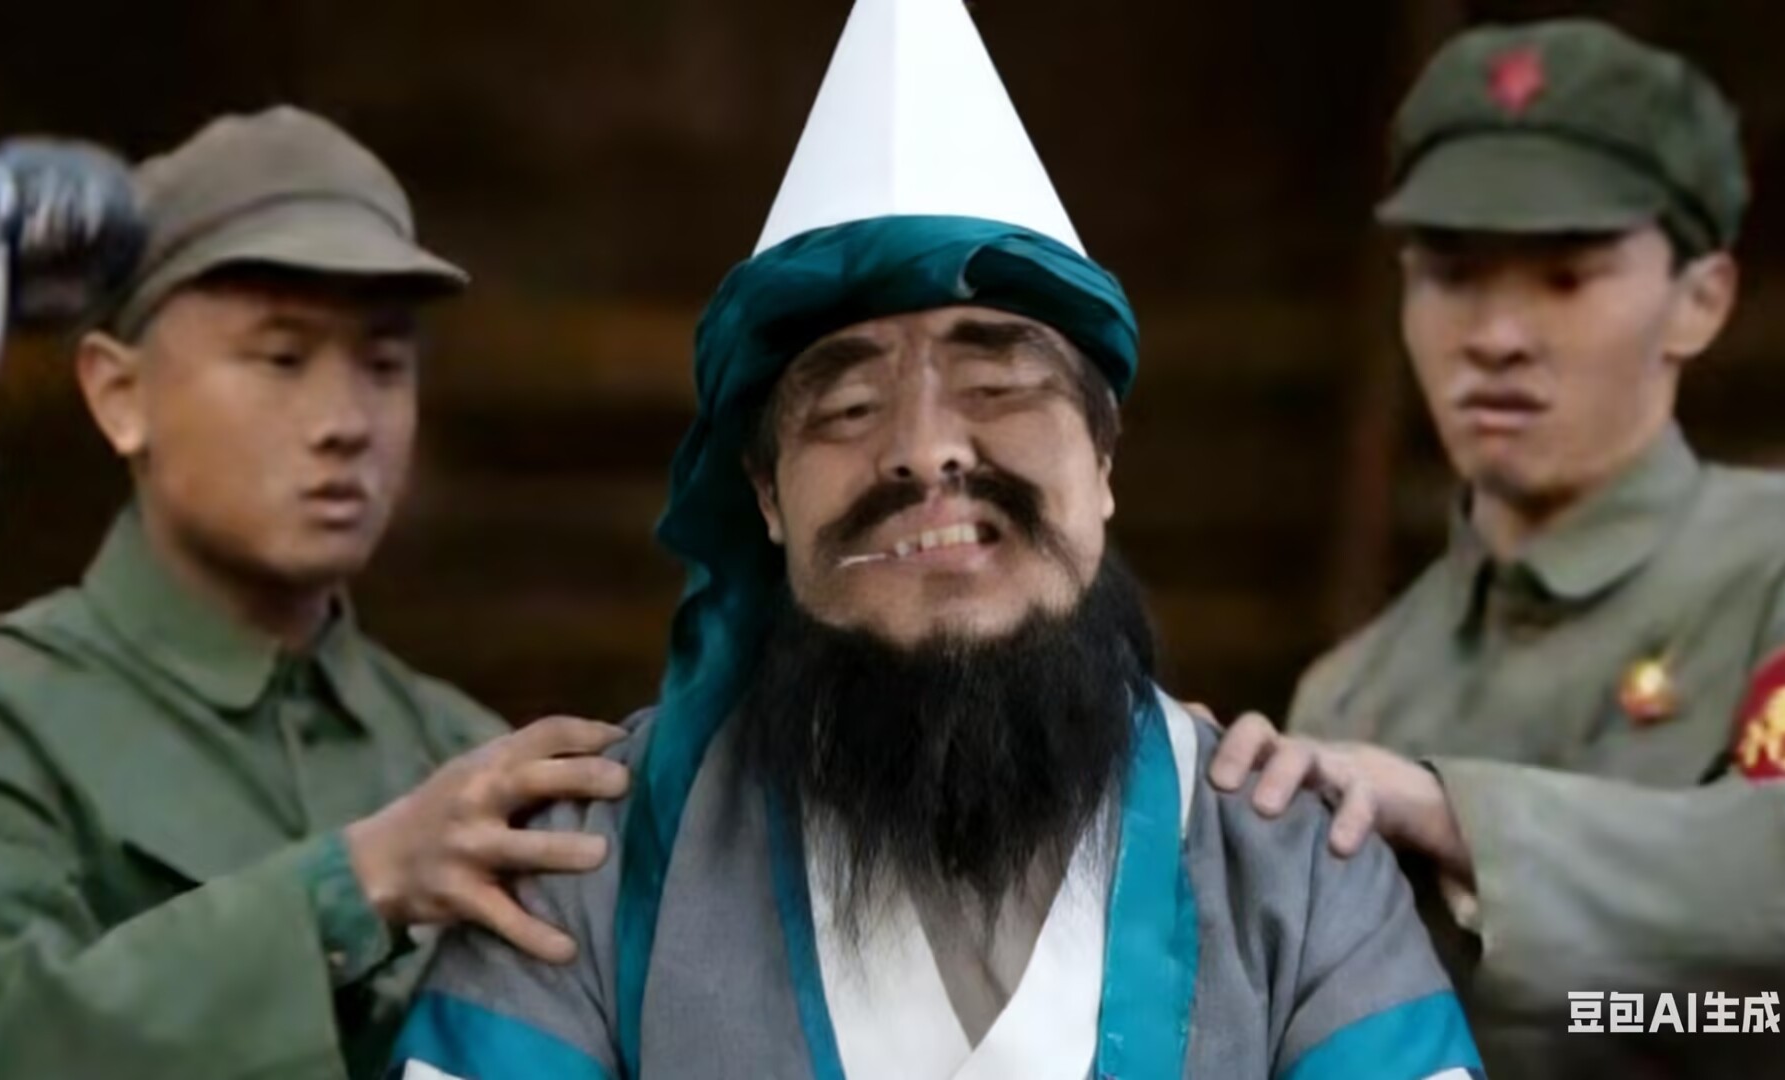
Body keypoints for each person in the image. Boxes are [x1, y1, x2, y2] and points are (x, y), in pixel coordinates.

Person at [389, 3, 1483, 1078]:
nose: (924, 450)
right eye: (848, 407)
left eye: (997, 383)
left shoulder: (1291, 859)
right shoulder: (587, 859)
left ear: (1104, 462)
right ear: (766, 497)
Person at [0, 107, 624, 1080]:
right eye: (282, 358)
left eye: (383, 366)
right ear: (118, 395)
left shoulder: (460, 759)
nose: (344, 421)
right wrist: (356, 886)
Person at [1211, 19, 1785, 1078]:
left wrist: (1449, 816)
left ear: (1700, 300)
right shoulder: (1355, 692)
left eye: (1565, 277)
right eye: (1450, 275)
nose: (1494, 336)